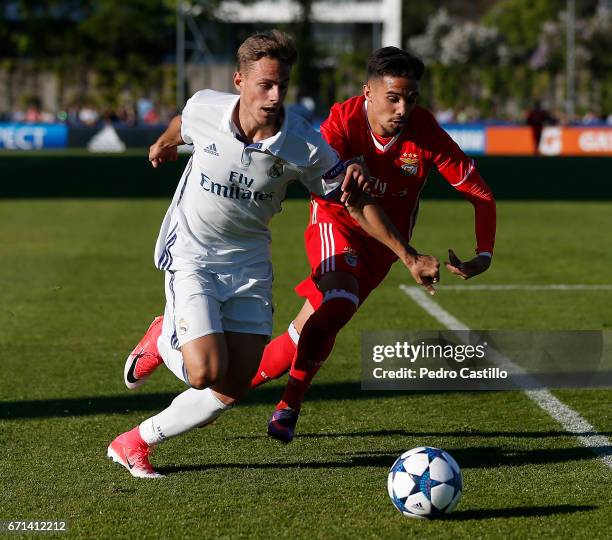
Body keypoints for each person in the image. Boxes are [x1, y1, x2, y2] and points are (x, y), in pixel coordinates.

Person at [107, 32, 438, 478]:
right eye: (265, 84)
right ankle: (164, 335)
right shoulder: (208, 106)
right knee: (204, 371)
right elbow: (183, 122)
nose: (275, 95)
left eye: (282, 84)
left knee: (233, 386)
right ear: (240, 80)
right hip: (193, 253)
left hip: (248, 264)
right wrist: (167, 141)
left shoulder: (304, 144)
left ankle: (134, 442)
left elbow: (353, 203)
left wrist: (408, 254)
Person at [250, 47, 497, 442]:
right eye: (393, 97)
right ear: (368, 92)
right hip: (338, 224)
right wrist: (410, 256)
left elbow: (481, 196)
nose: (402, 109)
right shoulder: (341, 123)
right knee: (339, 300)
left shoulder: (427, 132)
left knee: (304, 333)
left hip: (386, 246)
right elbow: (340, 192)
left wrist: (484, 253)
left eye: (411, 99)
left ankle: (215, 391)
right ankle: (289, 406)